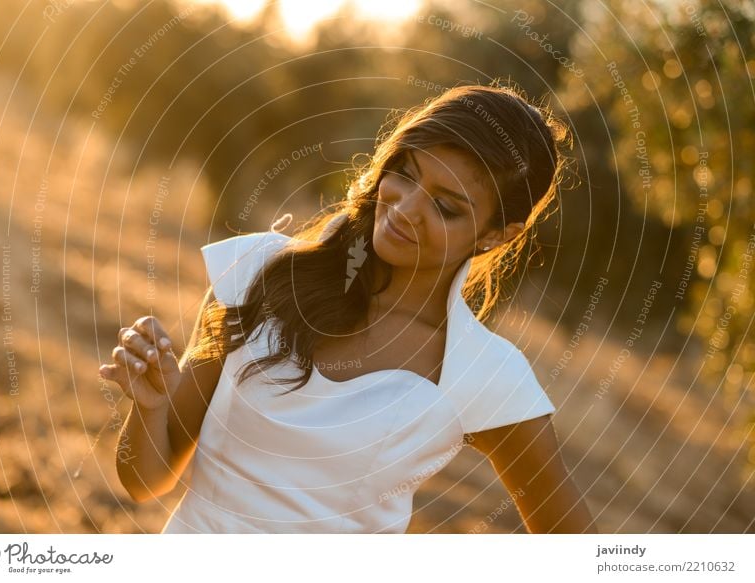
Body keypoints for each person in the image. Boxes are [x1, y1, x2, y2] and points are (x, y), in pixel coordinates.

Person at [99, 82, 598, 534]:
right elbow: (145, 482)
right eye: (405, 174)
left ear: (496, 236)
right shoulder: (261, 271)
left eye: (446, 207)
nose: (404, 208)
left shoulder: (485, 374)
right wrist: (150, 406)